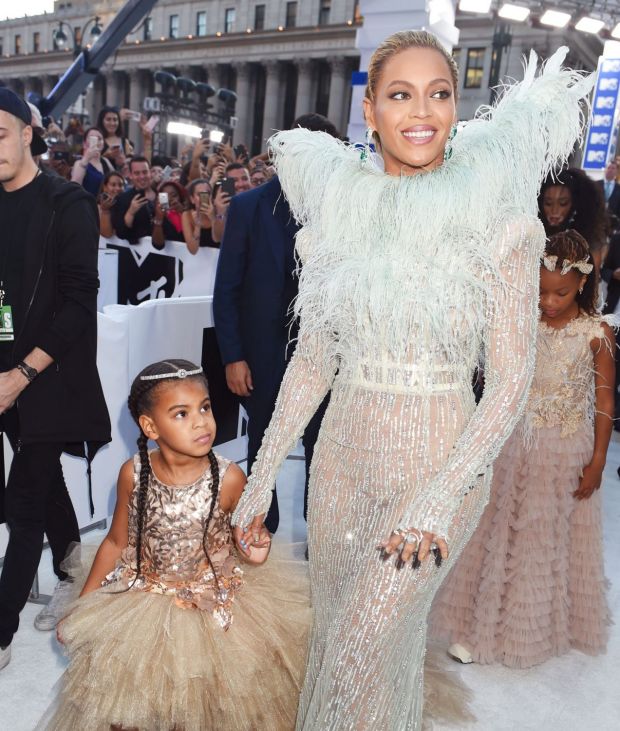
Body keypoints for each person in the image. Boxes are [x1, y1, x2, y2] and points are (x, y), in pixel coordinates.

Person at [230, 31, 593, 729]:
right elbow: (314, 361)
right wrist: (266, 471)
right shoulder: (340, 210)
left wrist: (437, 494)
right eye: (401, 94)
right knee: (346, 644)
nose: (421, 110)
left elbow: (511, 383)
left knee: (361, 647)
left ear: (457, 107)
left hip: (444, 464)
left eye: (439, 93)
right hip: (342, 462)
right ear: (370, 111)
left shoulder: (500, 221)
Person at [44, 359, 310, 731]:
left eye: (204, 407)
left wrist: (256, 546)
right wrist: (83, 605)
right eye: (181, 414)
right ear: (150, 426)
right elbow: (117, 540)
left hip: (212, 607)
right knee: (128, 703)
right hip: (143, 599)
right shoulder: (132, 473)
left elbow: (248, 542)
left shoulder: (230, 478)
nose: (201, 421)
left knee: (203, 708)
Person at [433, 230, 614, 668]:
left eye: (561, 293)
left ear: (583, 285)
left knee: (541, 536)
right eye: (541, 292)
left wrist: (599, 460)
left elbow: (605, 401)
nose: (549, 301)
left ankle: (531, 632)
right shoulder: (520, 324)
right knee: (495, 532)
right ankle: (477, 629)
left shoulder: (596, 333)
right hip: (514, 441)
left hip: (565, 448)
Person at [0, 88, 111, 671]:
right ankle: (75, 571)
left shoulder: (66, 203)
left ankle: (1, 628)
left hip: (48, 374)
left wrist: (21, 373)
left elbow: (77, 303)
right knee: (43, 489)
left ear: (27, 133)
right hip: (5, 377)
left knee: (22, 500)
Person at [214, 113, 339, 535]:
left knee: (322, 451)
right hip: (263, 357)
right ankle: (259, 535)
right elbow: (226, 289)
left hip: (327, 356)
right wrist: (233, 357)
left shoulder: (343, 210)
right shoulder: (249, 207)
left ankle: (319, 539)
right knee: (264, 447)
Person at [539, 167, 608, 269]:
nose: (554, 211)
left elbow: (592, 283)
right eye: (548, 203)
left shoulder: (589, 242)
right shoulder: (531, 235)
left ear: (576, 205)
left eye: (563, 203)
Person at [110, 156, 156, 244]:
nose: (142, 176)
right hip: (135, 254)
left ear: (150, 173)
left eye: (145, 172)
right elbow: (121, 233)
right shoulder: (122, 199)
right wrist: (131, 212)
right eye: (137, 173)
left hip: (167, 254)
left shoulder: (161, 194)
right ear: (130, 175)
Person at [70, 127, 114, 197]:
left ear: (103, 144)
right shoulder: (79, 163)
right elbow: (74, 186)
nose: (96, 141)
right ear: (84, 144)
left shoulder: (105, 161)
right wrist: (86, 158)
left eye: (99, 139)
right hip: (87, 204)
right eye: (92, 139)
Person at [182, 178, 217, 253]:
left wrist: (213, 218)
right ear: (192, 199)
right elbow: (193, 250)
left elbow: (219, 239)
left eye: (208, 193)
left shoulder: (220, 212)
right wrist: (197, 226)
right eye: (199, 194)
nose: (204, 197)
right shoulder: (187, 215)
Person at [152, 179, 187, 248]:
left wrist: (183, 213)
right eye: (165, 197)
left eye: (174, 195)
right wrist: (159, 219)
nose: (170, 199)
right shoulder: (158, 216)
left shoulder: (189, 212)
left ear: (180, 196)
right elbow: (158, 245)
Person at [96, 105, 134, 169]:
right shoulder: (97, 140)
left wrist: (124, 161)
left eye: (115, 120)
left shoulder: (125, 141)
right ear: (102, 121)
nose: (112, 123)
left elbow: (132, 162)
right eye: (108, 119)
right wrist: (105, 156)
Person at [97, 170, 125, 239]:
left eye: (120, 185)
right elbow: (107, 234)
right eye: (113, 185)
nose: (117, 188)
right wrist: (105, 211)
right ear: (105, 187)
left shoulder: (126, 204)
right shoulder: (97, 207)